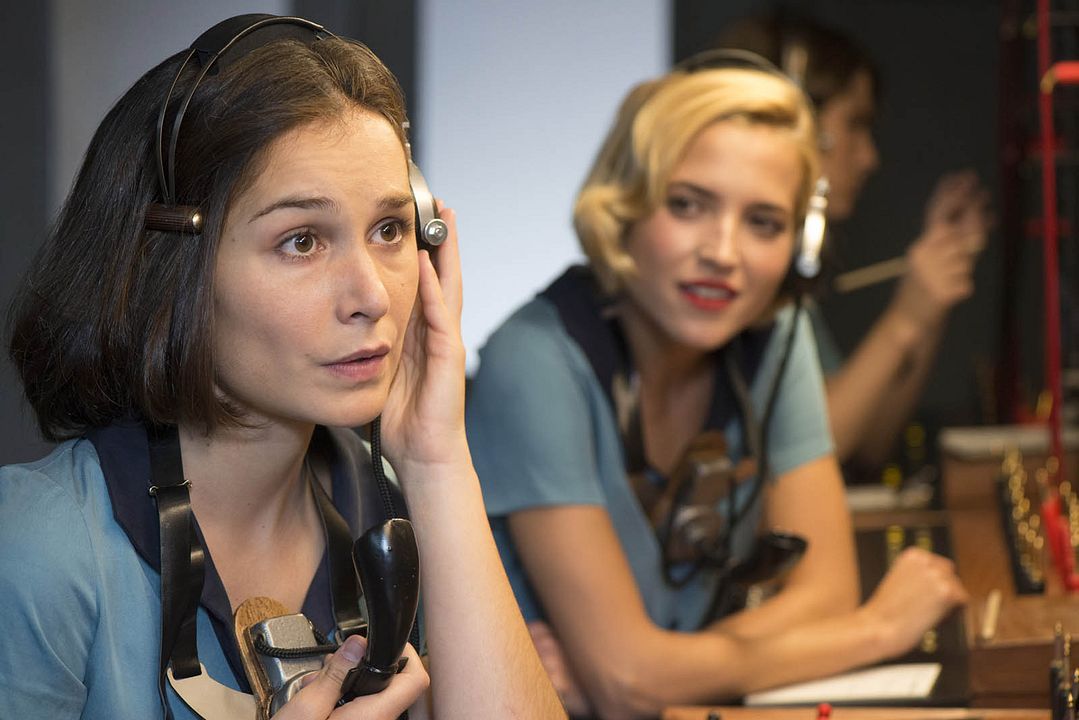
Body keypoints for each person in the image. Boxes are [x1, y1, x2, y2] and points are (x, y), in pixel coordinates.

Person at [0, 14, 564, 720]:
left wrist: (436, 462)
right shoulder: (38, 544)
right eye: (301, 241)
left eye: (389, 229)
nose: (370, 296)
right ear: (166, 268)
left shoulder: (394, 505)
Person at [465, 56, 968, 718]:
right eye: (687, 205)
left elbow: (825, 594)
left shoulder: (775, 332)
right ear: (623, 206)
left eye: (763, 222)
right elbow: (629, 680)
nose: (723, 253)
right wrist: (875, 630)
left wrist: (661, 673)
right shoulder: (533, 360)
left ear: (800, 241)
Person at [717, 14, 992, 468]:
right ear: (796, 127)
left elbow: (869, 443)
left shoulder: (791, 291)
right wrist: (905, 319)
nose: (869, 157)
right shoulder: (741, 279)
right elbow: (803, 452)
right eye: (854, 125)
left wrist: (926, 308)